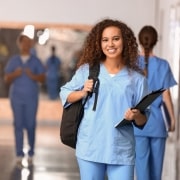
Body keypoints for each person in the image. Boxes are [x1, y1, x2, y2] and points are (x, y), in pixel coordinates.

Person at [60, 18, 149, 180]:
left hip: (121, 151)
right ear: (99, 43)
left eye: (116, 39)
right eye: (105, 40)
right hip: (90, 148)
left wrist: (136, 115)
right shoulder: (87, 71)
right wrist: (82, 93)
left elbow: (143, 119)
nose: (111, 44)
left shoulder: (137, 79)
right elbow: (65, 93)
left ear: (125, 41)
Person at [134, 25, 177, 180]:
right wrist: (172, 120)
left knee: (141, 170)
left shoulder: (132, 64)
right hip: (158, 124)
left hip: (138, 124)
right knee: (156, 172)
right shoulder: (163, 65)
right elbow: (166, 95)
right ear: (156, 41)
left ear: (139, 41)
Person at [4, 31, 46, 167]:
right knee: (18, 125)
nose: (26, 45)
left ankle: (31, 153)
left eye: (29, 42)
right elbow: (6, 78)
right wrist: (14, 74)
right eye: (24, 42)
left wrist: (32, 75)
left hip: (31, 98)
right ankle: (19, 154)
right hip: (16, 97)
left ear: (31, 44)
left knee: (31, 125)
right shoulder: (14, 60)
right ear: (19, 44)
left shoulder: (35, 61)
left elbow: (42, 78)